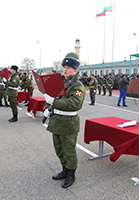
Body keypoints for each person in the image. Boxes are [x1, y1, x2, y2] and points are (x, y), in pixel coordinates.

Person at [43, 52, 85, 188]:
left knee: (69, 151)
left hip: (68, 124)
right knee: (59, 149)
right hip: (57, 122)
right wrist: (46, 107)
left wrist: (54, 102)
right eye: (64, 67)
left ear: (75, 70)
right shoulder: (59, 82)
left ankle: (71, 174)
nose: (65, 70)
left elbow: (74, 103)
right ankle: (64, 170)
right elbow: (49, 96)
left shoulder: (77, 86)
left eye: (68, 68)